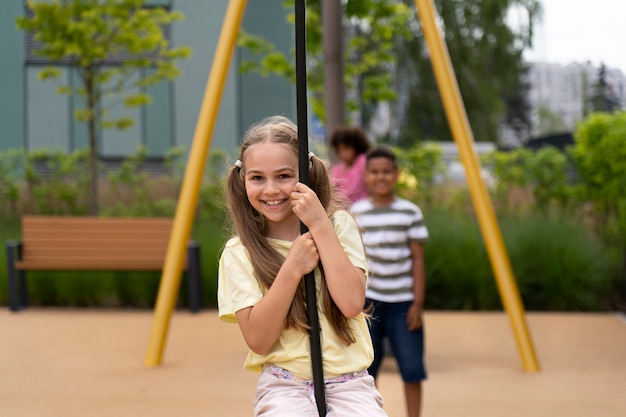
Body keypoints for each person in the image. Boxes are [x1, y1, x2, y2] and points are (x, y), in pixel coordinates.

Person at [217, 115, 388, 417]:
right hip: (284, 384)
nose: (271, 190)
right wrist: (293, 268)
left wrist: (319, 224)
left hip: (350, 382)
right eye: (258, 178)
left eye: (284, 176)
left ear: (307, 174)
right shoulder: (240, 252)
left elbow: (350, 303)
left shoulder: (338, 225)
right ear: (242, 180)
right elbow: (258, 340)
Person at [350, 146, 429, 417]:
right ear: (366, 176)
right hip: (368, 304)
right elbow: (352, 261)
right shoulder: (356, 213)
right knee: (367, 370)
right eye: (374, 172)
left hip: (403, 303)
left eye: (386, 172)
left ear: (396, 175)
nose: (380, 177)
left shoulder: (410, 212)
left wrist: (418, 303)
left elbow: (418, 259)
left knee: (411, 368)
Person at [329, 125, 371, 204]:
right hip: (342, 208)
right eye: (339, 150)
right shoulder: (337, 169)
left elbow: (365, 186)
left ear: (356, 147)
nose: (343, 154)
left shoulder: (362, 161)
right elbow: (333, 190)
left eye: (346, 149)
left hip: (362, 207)